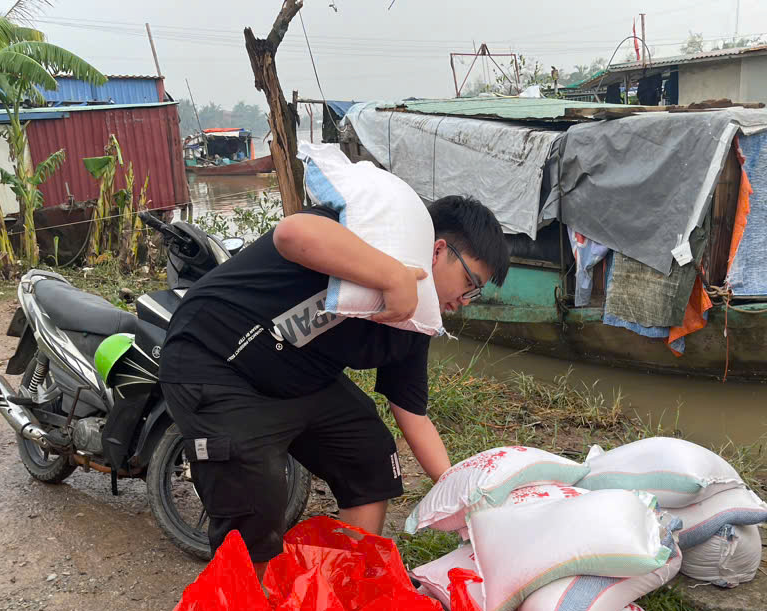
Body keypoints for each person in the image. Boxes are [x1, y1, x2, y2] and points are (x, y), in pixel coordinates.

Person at [160, 195, 509, 572]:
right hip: (214, 359)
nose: (466, 300)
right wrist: (391, 277)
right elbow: (292, 232)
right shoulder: (366, 233)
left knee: (368, 452)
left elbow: (412, 413)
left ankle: (349, 578)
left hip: (297, 376)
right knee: (255, 493)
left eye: (476, 293)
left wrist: (464, 497)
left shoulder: (415, 320)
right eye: (470, 283)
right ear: (439, 250)